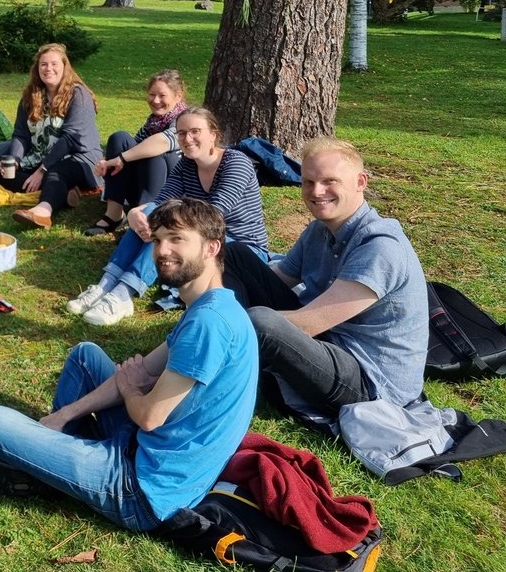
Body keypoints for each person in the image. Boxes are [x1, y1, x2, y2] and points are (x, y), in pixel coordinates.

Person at [0, 199, 257, 532]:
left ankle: (52, 471)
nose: (162, 250)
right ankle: (59, 452)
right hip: (148, 452)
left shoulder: (209, 323)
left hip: (143, 490)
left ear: (211, 248)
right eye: (158, 240)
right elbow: (144, 369)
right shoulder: (211, 306)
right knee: (85, 355)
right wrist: (63, 415)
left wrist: (131, 388)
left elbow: (147, 415)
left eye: (176, 239)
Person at [223, 137, 428, 418]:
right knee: (235, 255)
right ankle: (234, 355)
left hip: (370, 380)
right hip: (330, 340)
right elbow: (281, 276)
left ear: (360, 182)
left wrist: (224, 323)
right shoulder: (319, 230)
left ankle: (224, 358)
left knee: (260, 321)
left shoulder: (380, 247)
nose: (317, 192)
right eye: (308, 182)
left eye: (330, 181)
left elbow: (307, 323)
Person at [68, 106, 267, 326]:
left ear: (213, 134)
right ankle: (106, 284)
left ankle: (124, 294)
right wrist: (138, 214)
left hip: (241, 249)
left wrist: (160, 224)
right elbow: (161, 201)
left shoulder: (236, 163)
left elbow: (213, 216)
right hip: (200, 235)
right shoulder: (186, 164)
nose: (187, 139)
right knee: (149, 215)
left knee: (171, 231)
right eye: (181, 133)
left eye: (195, 132)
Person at [0, 43, 103, 229]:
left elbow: (70, 139)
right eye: (44, 64)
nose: (49, 68)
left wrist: (42, 170)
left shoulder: (78, 95)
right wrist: (15, 159)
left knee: (55, 173)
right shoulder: (31, 96)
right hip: (40, 156)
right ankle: (63, 193)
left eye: (54, 64)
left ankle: (43, 211)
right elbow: (21, 134)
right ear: (37, 68)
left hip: (79, 158)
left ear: (65, 67)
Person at [84, 69, 187, 237]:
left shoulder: (184, 120)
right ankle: (114, 214)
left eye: (162, 96)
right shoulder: (153, 121)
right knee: (120, 138)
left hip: (170, 196)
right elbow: (134, 145)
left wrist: (120, 158)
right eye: (152, 94)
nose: (155, 100)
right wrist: (111, 158)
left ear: (178, 96)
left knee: (153, 152)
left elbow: (162, 142)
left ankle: (147, 220)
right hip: (144, 185)